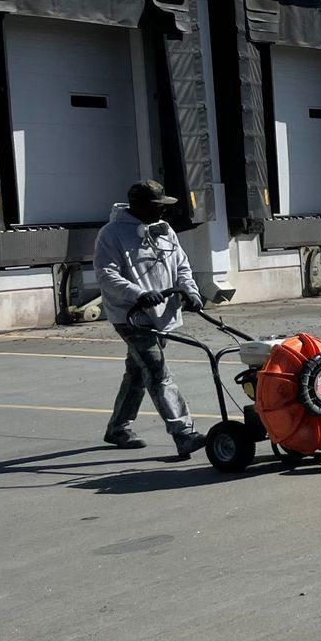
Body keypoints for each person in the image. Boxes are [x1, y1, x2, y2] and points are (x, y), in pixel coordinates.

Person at [95, 180, 207, 457]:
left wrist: (191, 292)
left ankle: (118, 428)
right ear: (139, 206)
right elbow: (106, 275)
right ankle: (184, 433)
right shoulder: (112, 234)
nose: (163, 212)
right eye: (157, 207)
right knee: (157, 371)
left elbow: (182, 265)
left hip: (162, 314)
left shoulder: (164, 230)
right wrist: (138, 294)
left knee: (137, 373)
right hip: (131, 316)